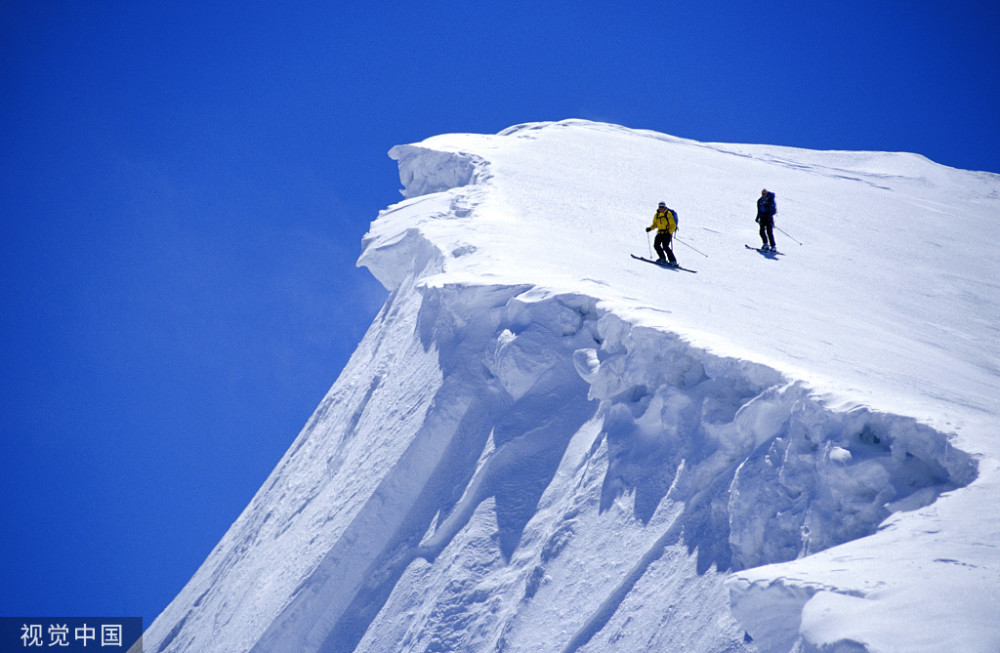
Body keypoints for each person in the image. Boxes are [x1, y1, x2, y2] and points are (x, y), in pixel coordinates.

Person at [646, 201, 678, 266]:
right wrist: (650, 228)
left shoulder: (668, 214)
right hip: (660, 233)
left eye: (662, 207)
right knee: (656, 245)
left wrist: (669, 233)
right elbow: (655, 224)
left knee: (665, 247)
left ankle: (673, 261)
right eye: (660, 206)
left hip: (667, 233)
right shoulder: (657, 215)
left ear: (665, 207)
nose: (661, 208)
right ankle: (662, 258)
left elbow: (673, 225)